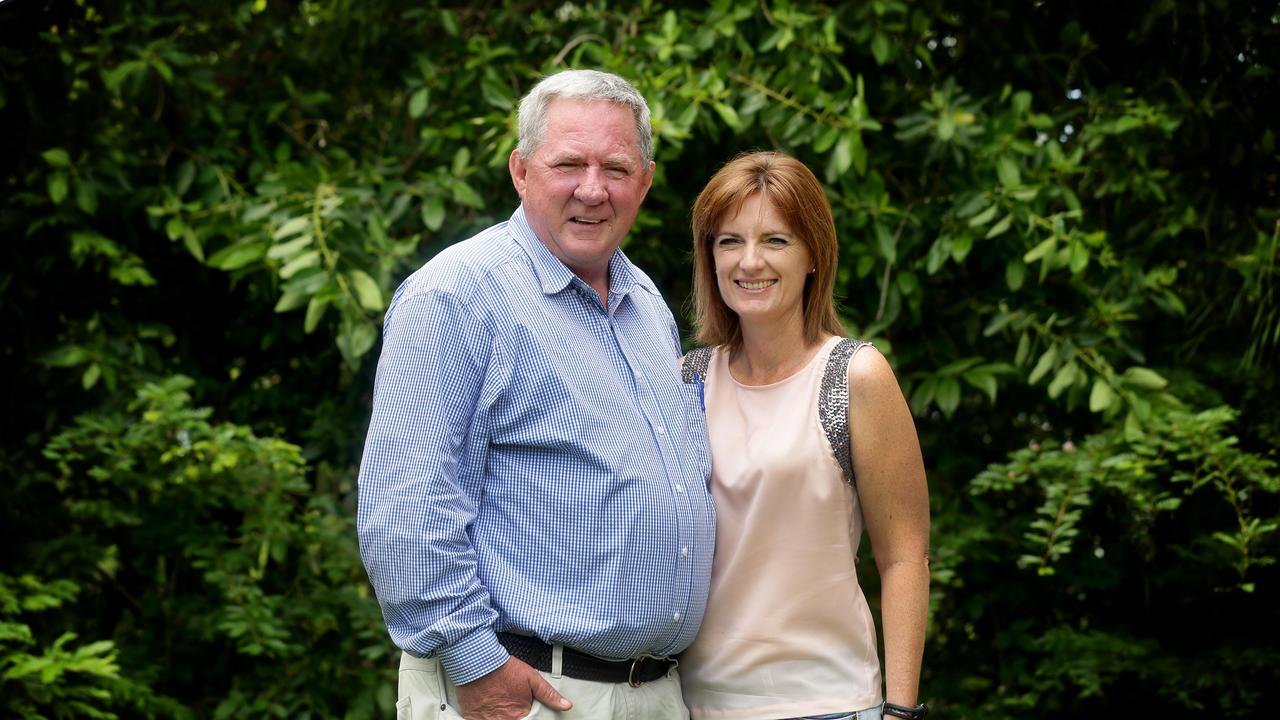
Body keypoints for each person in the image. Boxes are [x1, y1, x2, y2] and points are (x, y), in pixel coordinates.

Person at [357, 69, 715, 720]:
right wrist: (473, 661)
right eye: (568, 164)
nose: (592, 189)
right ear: (521, 172)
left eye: (615, 167)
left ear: (646, 181)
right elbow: (405, 511)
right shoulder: (459, 295)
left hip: (652, 695)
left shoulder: (648, 306)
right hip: (526, 693)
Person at [678, 152, 931, 720]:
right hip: (697, 705)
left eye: (775, 240)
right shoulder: (686, 379)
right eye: (728, 241)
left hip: (830, 702)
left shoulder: (854, 376)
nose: (749, 261)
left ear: (814, 254)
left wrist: (901, 710)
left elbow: (905, 557)